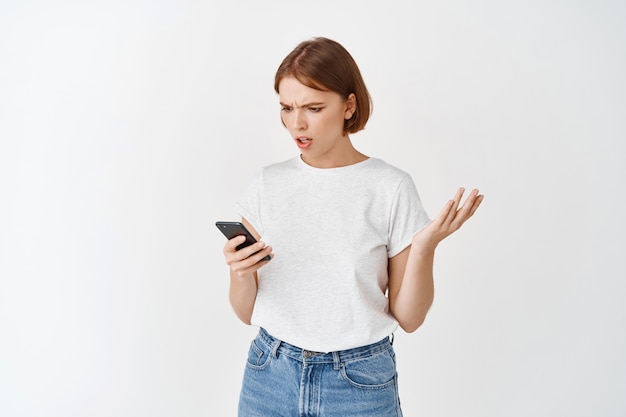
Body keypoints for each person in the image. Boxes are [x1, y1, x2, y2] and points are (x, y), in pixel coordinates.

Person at [221, 36, 483, 417]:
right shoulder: (266, 184)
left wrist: (425, 247)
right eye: (287, 108)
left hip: (359, 382)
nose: (297, 123)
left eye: (313, 107)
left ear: (349, 105)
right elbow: (245, 313)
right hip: (269, 375)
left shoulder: (389, 187)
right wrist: (240, 273)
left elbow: (409, 318)